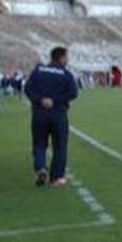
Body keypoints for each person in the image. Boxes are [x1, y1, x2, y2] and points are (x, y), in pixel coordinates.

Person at [25, 47, 78, 187]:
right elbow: (73, 93)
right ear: (61, 58)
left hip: (39, 114)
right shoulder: (66, 74)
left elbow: (27, 89)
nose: (68, 60)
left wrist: (40, 99)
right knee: (60, 146)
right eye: (66, 57)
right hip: (58, 113)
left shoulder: (38, 71)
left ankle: (41, 167)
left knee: (39, 144)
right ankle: (57, 177)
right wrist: (57, 100)